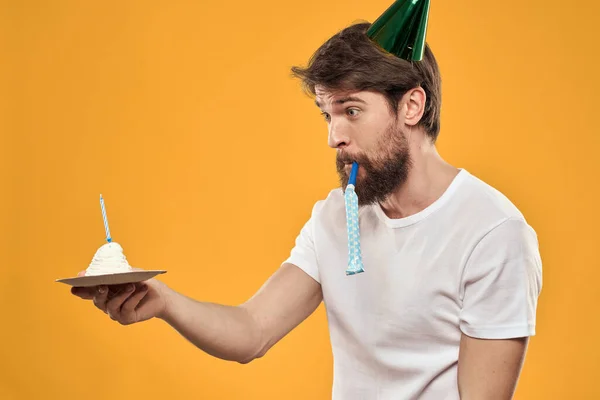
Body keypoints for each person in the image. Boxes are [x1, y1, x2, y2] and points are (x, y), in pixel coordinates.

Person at [71, 2, 543, 399]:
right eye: (326, 114)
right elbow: (252, 331)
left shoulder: (492, 233)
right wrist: (163, 301)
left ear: (411, 107)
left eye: (351, 110)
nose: (334, 136)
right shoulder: (337, 217)